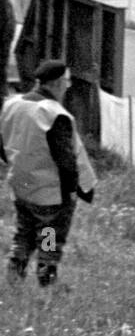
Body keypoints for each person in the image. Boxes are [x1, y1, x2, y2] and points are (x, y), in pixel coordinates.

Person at [0, 59, 96, 287]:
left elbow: (2, 145)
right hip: (50, 192)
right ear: (57, 83)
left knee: (24, 233)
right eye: (67, 82)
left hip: (21, 186)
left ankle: (14, 275)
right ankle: (46, 276)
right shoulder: (52, 114)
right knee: (49, 235)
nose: (67, 87)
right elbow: (66, 159)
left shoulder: (12, 104)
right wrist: (72, 190)